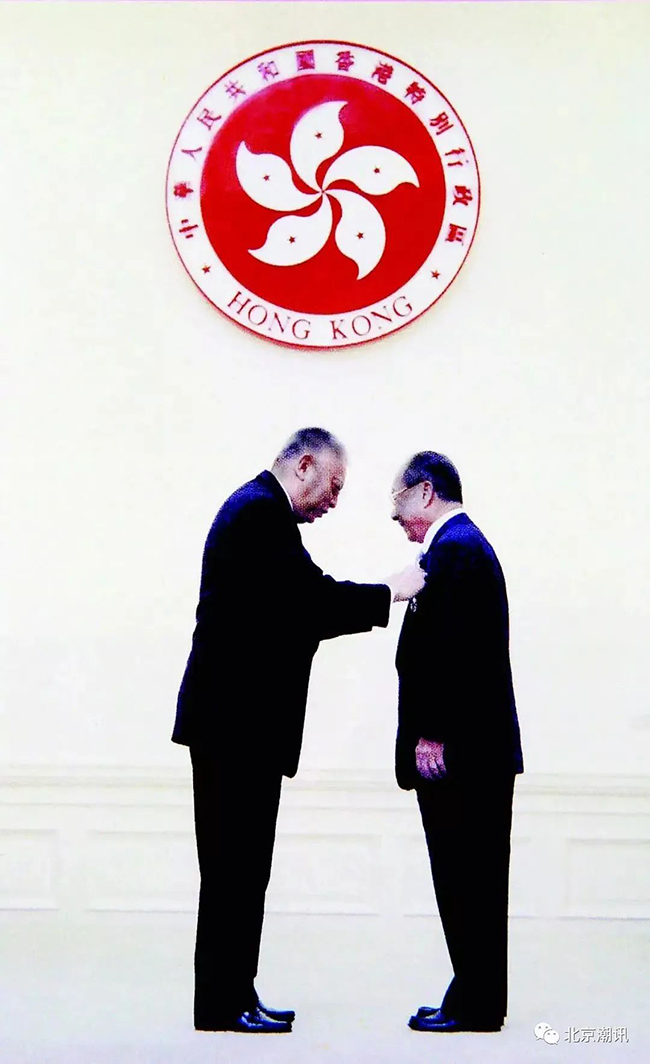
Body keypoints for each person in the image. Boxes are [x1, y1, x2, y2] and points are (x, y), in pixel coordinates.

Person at [173, 427, 425, 1034]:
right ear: (305, 465)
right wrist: (389, 592)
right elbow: (310, 603)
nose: (334, 501)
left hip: (235, 728)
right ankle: (223, 1004)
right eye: (333, 486)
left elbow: (295, 605)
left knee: (241, 868)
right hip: (235, 729)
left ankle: (235, 992)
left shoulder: (261, 512)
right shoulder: (260, 513)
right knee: (235, 868)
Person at [391, 451, 523, 1033]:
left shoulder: (457, 550)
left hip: (461, 755)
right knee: (472, 878)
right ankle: (473, 993)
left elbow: (457, 655)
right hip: (476, 752)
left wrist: (433, 734)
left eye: (397, 501)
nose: (394, 516)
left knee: (467, 878)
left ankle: (475, 1003)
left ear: (425, 492)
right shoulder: (457, 546)